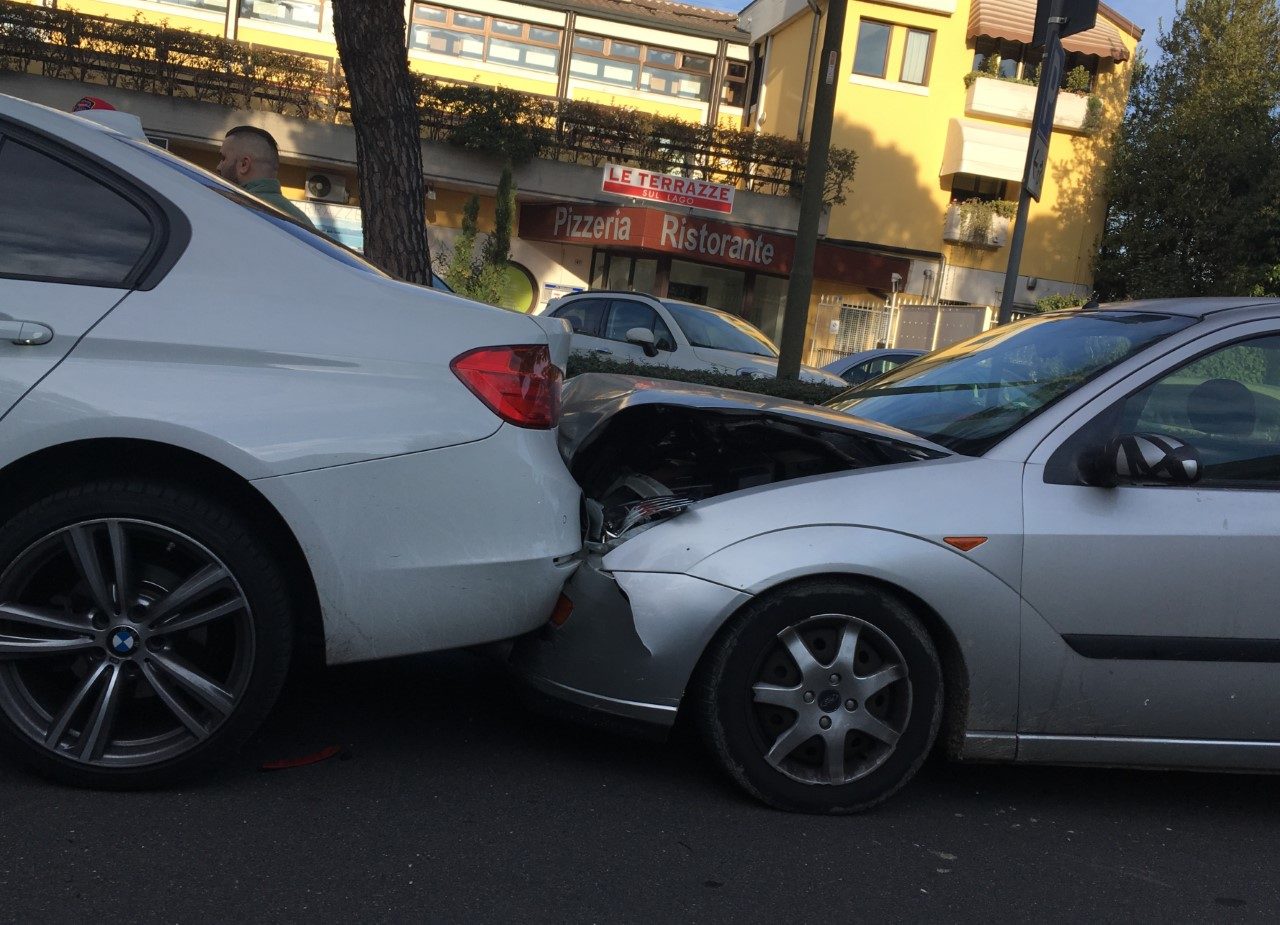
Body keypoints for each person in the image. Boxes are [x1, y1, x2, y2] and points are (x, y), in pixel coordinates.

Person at [217, 125, 316, 228]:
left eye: (223, 158)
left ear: (244, 164)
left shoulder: (234, 209)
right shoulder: (303, 222)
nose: (218, 166)